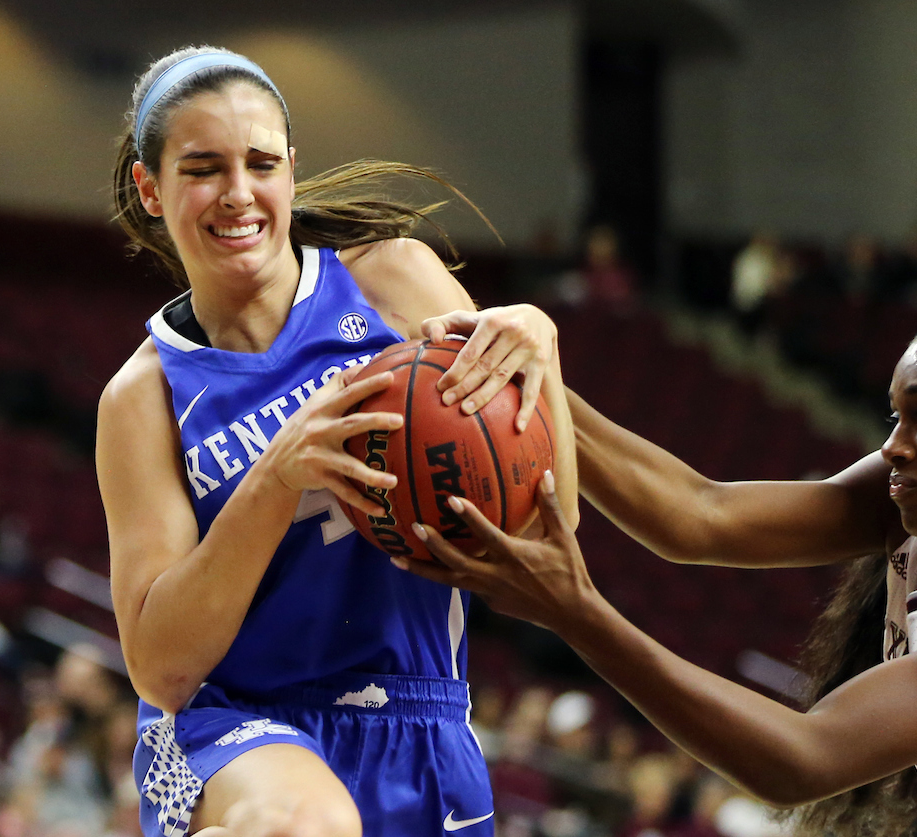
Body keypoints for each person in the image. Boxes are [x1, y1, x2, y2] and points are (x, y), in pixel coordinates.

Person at [399, 274, 917, 836]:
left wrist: (579, 612)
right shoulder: (914, 512)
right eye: (895, 413)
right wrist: (532, 373)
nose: (893, 442)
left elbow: (799, 761)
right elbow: (700, 515)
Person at [96, 46, 577, 837]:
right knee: (304, 825)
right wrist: (275, 477)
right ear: (151, 189)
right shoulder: (144, 396)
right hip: (236, 726)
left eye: (260, 162)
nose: (238, 192)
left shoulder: (393, 282)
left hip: (421, 720)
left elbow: (552, 533)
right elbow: (163, 666)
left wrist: (540, 352)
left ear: (291, 168)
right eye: (204, 168)